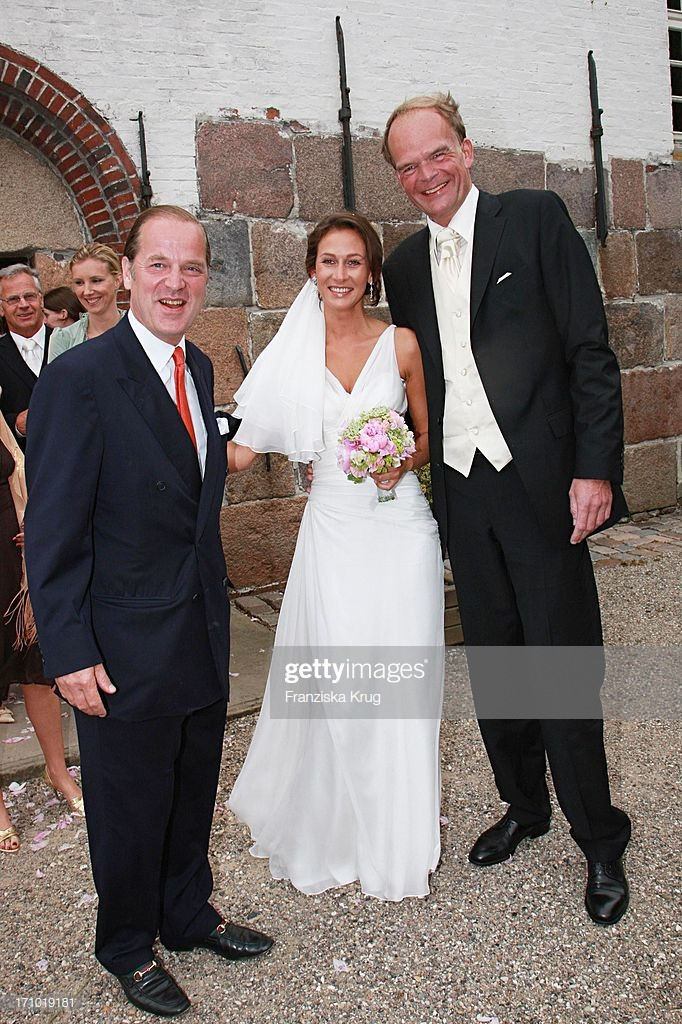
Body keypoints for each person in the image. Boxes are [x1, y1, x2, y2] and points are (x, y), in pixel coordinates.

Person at [381, 92, 631, 926]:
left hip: (543, 488)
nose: (426, 175)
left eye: (437, 154)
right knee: (496, 667)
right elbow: (411, 379)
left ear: (468, 149)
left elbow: (589, 352)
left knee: (561, 668)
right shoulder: (405, 266)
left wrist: (594, 470)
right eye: (408, 166)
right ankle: (525, 807)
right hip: (463, 492)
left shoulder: (535, 218)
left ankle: (599, 837)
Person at [24, 205, 272, 1019]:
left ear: (207, 280)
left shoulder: (196, 367)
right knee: (130, 807)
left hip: (195, 624)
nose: (176, 282)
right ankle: (128, 945)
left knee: (191, 783)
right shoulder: (79, 377)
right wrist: (67, 651)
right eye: (159, 265)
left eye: (192, 267)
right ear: (127, 273)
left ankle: (187, 912)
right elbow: (54, 525)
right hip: (121, 641)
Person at [228, 212, 444, 902]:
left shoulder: (402, 343)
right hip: (334, 535)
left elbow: (426, 435)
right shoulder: (288, 352)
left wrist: (398, 462)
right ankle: (339, 821)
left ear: (370, 271)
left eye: (354, 262)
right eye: (329, 261)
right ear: (312, 270)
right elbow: (239, 450)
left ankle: (398, 834)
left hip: (400, 527)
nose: (341, 274)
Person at [0, 265, 50, 449]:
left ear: (41, 300)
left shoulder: (68, 342)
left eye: (29, 296)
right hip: (20, 468)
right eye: (13, 299)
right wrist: (17, 424)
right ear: (1, 309)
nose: (23, 305)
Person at [47, 243, 123, 362]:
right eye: (79, 283)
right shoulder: (63, 339)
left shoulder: (142, 328)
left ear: (117, 281)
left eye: (96, 280)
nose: (87, 291)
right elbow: (57, 380)